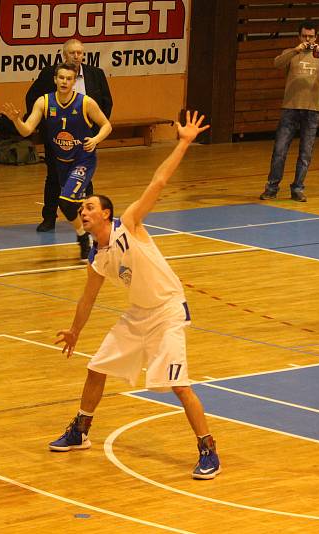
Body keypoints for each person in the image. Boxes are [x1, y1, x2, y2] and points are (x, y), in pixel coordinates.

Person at [51, 111, 221, 480]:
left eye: (90, 206)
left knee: (179, 385)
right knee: (96, 367)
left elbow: (159, 181)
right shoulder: (98, 257)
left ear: (106, 213)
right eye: (82, 208)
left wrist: (184, 142)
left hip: (167, 311)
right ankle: (80, 431)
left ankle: (208, 449)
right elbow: (87, 299)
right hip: (138, 315)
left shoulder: (129, 223)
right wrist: (75, 331)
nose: (84, 211)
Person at [3, 62, 113, 260]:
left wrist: (96, 139)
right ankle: (92, 235)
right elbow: (27, 130)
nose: (64, 81)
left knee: (65, 201)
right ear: (55, 79)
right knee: (75, 205)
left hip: (83, 159)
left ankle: (84, 239)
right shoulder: (44, 102)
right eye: (61, 78)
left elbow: (106, 125)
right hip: (61, 161)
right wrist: (16, 120)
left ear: (73, 82)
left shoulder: (85, 102)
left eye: (69, 78)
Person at [26, 38, 113, 233]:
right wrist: (43, 126)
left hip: (84, 140)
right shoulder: (50, 74)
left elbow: (106, 104)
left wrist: (96, 134)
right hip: (57, 139)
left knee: (85, 181)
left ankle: (90, 219)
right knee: (53, 179)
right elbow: (32, 98)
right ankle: (49, 218)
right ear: (64, 55)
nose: (76, 56)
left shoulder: (95, 74)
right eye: (72, 53)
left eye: (80, 53)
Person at [259, 20, 319, 202]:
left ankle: (297, 188)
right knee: (279, 150)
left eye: (311, 36)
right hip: (290, 109)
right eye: (305, 36)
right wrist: (295, 50)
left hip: (312, 110)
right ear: (299, 36)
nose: (308, 39)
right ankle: (272, 188)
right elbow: (277, 63)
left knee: (305, 153)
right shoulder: (292, 53)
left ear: (316, 37)